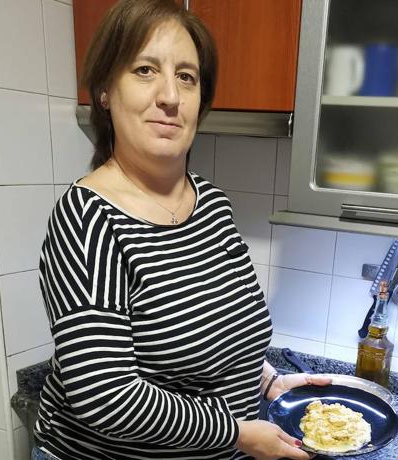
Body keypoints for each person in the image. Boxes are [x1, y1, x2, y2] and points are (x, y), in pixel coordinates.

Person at [32, 1, 330, 459]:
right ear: (106, 91)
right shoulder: (87, 219)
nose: (170, 96)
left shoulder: (211, 204)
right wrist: (236, 433)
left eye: (187, 77)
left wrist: (268, 381)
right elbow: (107, 397)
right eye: (146, 70)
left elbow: (220, 332)